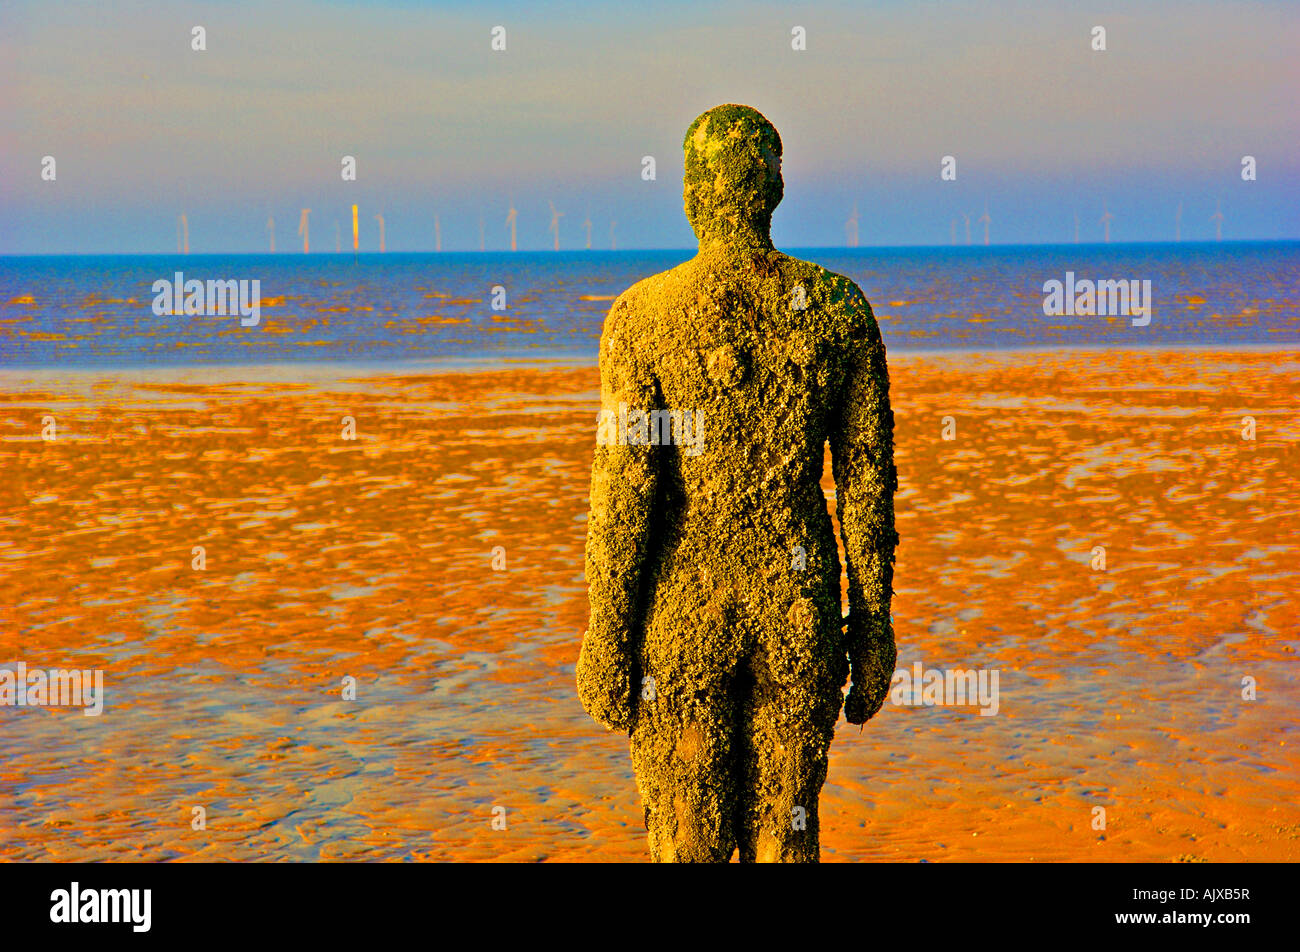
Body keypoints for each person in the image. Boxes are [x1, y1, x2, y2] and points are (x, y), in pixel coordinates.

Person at [577, 103, 898, 862]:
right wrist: (874, 623)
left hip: (683, 603)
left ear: (691, 192)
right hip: (797, 603)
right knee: (788, 829)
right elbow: (865, 485)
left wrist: (608, 636)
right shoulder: (839, 310)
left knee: (686, 839)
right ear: (775, 188)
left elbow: (625, 495)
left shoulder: (642, 318)